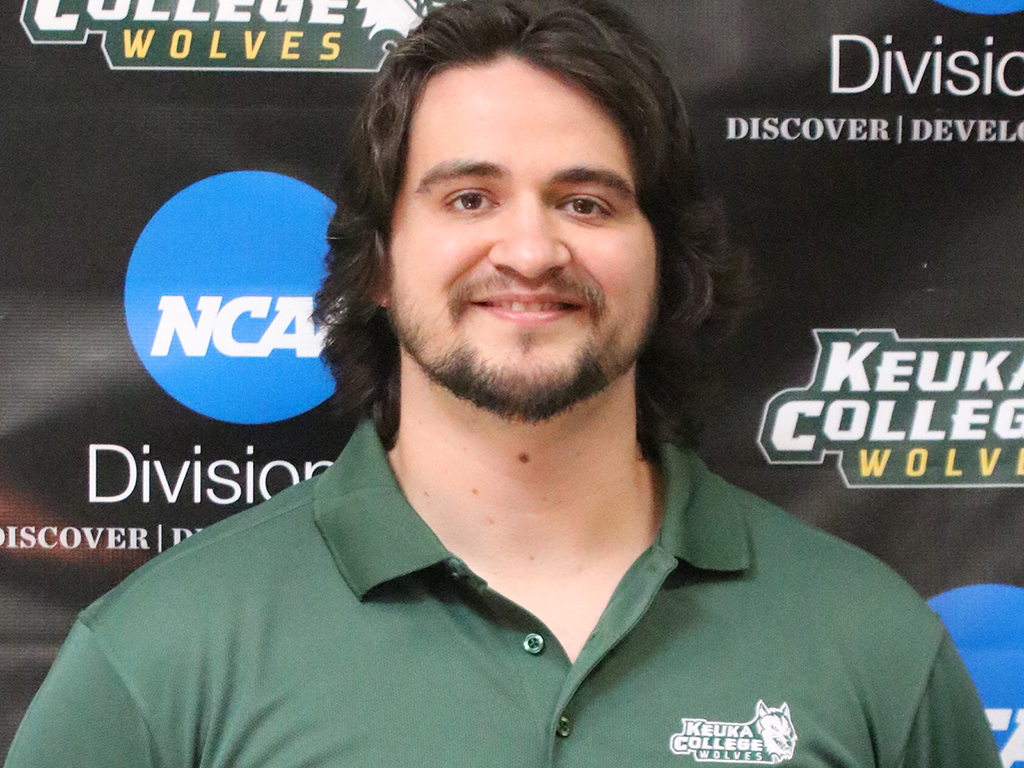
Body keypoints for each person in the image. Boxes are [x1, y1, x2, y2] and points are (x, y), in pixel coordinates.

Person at [5, 1, 1001, 766]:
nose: (530, 250)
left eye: (586, 202)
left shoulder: (872, 646)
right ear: (378, 264)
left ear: (665, 263)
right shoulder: (163, 655)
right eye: (470, 197)